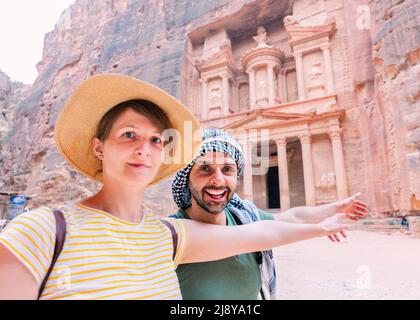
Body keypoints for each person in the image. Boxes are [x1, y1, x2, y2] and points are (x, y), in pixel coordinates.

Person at [0, 74, 354, 300]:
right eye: (129, 135)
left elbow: (266, 232)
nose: (145, 149)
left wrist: (323, 222)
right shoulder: (42, 231)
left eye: (157, 139)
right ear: (98, 146)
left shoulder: (170, 237)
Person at [171, 129, 368, 300]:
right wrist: (322, 228)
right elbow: (265, 232)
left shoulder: (243, 217)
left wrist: (335, 208)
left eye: (227, 169)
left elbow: (293, 217)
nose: (218, 179)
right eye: (205, 168)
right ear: (187, 177)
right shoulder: (171, 234)